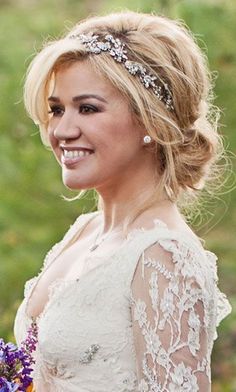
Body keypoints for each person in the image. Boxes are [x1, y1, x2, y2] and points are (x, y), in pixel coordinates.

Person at [14, 11, 232, 392]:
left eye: (88, 108)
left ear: (151, 120)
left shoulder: (164, 257)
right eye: (56, 109)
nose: (62, 130)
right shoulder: (86, 230)